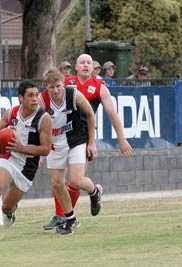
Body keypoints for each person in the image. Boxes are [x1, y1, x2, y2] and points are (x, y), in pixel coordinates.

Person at [43, 54, 134, 230]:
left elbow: (112, 114)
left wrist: (120, 139)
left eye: (89, 63)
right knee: (58, 180)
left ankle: (85, 199)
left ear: (93, 68)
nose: (85, 65)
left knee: (75, 181)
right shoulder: (65, 83)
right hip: (61, 136)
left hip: (83, 136)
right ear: (75, 67)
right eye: (81, 62)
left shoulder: (99, 87)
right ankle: (61, 215)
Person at [0, 80, 53, 251]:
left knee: (6, 207)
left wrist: (22, 148)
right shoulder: (12, 113)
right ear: (21, 98)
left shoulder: (44, 119)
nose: (35, 99)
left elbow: (46, 149)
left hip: (27, 167)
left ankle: (10, 212)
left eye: (36, 95)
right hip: (9, 157)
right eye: (31, 95)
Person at [39, 68, 98, 235]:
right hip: (55, 145)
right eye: (52, 87)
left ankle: (95, 191)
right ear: (47, 88)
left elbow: (90, 114)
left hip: (76, 141)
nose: (56, 90)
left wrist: (92, 143)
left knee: (76, 180)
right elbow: (37, 126)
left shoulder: (74, 94)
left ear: (63, 84)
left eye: (58, 86)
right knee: (57, 183)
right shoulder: (42, 100)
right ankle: (71, 219)